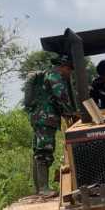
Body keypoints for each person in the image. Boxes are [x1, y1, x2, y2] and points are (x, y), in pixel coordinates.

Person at [28, 54, 76, 196]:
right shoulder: (55, 76)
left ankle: (39, 189)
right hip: (46, 118)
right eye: (69, 70)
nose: (69, 74)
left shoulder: (47, 75)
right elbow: (61, 97)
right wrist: (71, 112)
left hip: (39, 117)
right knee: (44, 151)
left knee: (39, 150)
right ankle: (43, 189)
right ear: (64, 67)